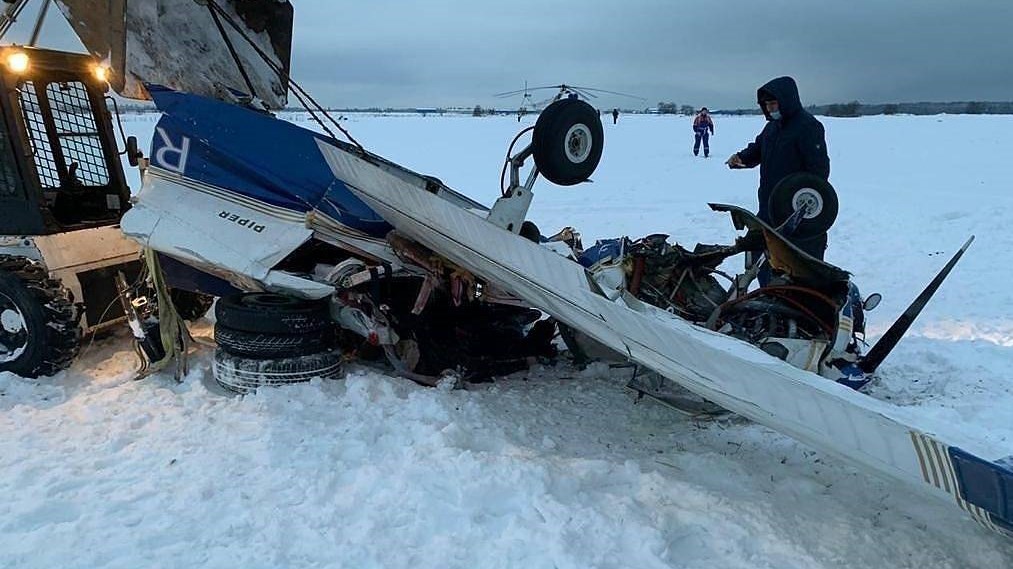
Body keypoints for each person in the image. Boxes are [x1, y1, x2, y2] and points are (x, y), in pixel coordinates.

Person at [726, 76, 830, 259]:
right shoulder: (772, 128)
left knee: (793, 264)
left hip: (794, 214)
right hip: (768, 206)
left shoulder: (808, 127)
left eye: (773, 103)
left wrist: (803, 205)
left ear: (786, 101)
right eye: (766, 105)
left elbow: (819, 172)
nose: (769, 108)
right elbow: (758, 148)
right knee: (760, 257)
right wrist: (741, 157)